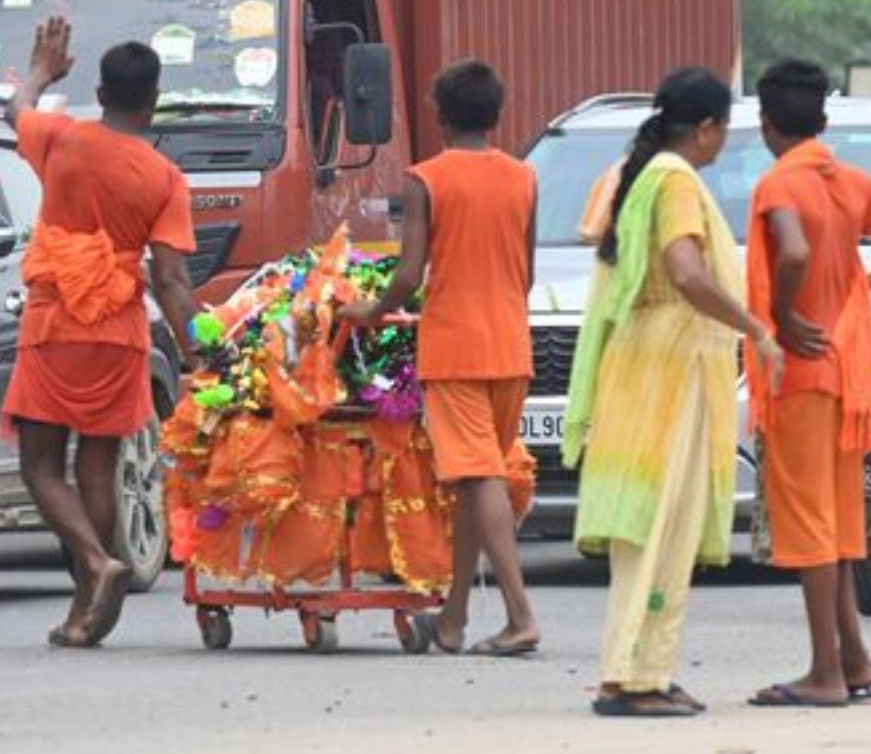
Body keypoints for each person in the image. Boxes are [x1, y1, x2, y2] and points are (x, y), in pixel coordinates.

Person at [563, 67, 783, 717]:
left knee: (650, 531)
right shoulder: (677, 181)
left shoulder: (647, 175)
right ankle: (632, 679)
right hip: (669, 376)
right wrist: (753, 328)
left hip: (645, 371)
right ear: (708, 128)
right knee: (663, 526)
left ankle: (640, 671)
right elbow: (687, 273)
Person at [1, 17, 198, 648]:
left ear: (103, 93)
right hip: (118, 329)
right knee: (98, 462)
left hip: (55, 319)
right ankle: (86, 610)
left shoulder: (62, 138)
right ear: (154, 99)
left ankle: (94, 563)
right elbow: (170, 279)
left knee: (39, 464)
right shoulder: (167, 179)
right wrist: (197, 354)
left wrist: (41, 69)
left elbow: (16, 111)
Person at [341, 60, 541, 657]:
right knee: (474, 485)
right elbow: (524, 271)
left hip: (454, 348)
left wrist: (369, 311)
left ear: (441, 116)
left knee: (481, 478)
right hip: (511, 345)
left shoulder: (426, 178)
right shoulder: (523, 177)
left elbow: (407, 274)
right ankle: (451, 619)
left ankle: (520, 615)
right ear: (497, 114)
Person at [745, 59, 871, 707]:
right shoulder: (849, 181)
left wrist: (787, 313)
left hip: (798, 369)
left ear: (767, 124)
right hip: (847, 376)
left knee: (809, 524)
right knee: (839, 520)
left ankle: (824, 672)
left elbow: (791, 250)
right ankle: (854, 660)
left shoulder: (779, 184)